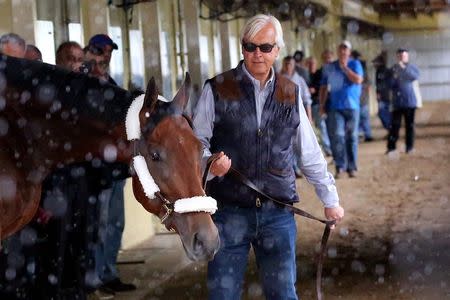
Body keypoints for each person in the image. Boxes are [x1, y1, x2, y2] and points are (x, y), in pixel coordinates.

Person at [193, 14, 344, 300]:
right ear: (242, 49)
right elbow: (195, 144)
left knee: (283, 294)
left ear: (277, 50)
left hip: (278, 213)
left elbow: (308, 152)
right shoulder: (217, 88)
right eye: (250, 47)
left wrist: (330, 200)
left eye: (265, 47)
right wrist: (210, 164)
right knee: (222, 295)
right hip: (228, 211)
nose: (257, 54)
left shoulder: (290, 91)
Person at [85, 34, 136, 296]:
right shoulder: (84, 82)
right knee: (99, 225)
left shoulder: (110, 82)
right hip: (96, 171)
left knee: (115, 224)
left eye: (108, 52)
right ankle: (94, 276)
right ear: (89, 51)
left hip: (115, 169)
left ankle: (109, 272)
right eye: (100, 51)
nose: (105, 56)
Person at [319, 40, 364, 178]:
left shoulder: (355, 64)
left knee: (352, 137)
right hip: (335, 107)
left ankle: (352, 167)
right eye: (341, 49)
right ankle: (340, 166)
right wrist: (322, 105)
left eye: (346, 49)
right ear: (338, 51)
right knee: (337, 136)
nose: (343, 52)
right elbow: (324, 87)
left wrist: (345, 68)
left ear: (349, 52)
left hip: (352, 106)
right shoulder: (329, 67)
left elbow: (358, 80)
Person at [387, 48, 420, 154]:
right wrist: (394, 78)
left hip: (410, 102)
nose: (402, 58)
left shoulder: (412, 68)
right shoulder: (392, 69)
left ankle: (409, 147)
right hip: (397, 103)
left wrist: (403, 69)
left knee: (410, 126)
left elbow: (415, 77)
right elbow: (389, 84)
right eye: (400, 56)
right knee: (394, 126)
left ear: (407, 56)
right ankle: (391, 148)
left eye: (404, 56)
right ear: (397, 57)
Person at [308, 51, 333, 156]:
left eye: (329, 58)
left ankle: (331, 148)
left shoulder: (335, 70)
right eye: (325, 58)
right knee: (321, 127)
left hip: (331, 104)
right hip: (317, 104)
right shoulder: (318, 73)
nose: (327, 60)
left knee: (329, 127)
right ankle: (327, 149)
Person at [351, 50, 373, 142]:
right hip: (360, 96)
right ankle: (367, 134)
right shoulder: (362, 68)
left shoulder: (353, 67)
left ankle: (362, 134)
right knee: (363, 116)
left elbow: (367, 84)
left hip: (358, 96)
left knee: (360, 116)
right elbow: (368, 84)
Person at [373, 51, 392, 132]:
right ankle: (390, 129)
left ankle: (390, 128)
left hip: (384, 96)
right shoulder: (380, 71)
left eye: (376, 63)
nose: (374, 64)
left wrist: (379, 93)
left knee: (382, 113)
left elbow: (381, 84)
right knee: (385, 113)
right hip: (384, 95)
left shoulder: (382, 71)